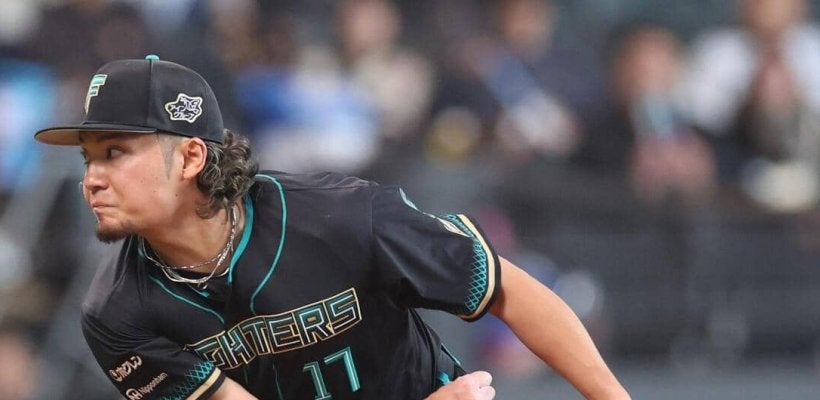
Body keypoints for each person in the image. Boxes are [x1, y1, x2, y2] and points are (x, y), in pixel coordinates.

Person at [33, 55, 629, 399]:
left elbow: (503, 289)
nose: (91, 179)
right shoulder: (117, 312)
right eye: (88, 158)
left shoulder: (340, 216)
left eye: (115, 153)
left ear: (190, 157)